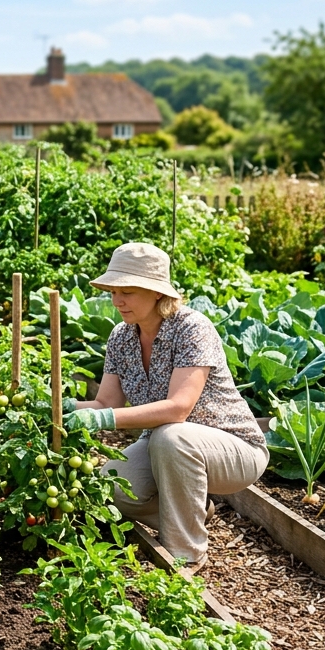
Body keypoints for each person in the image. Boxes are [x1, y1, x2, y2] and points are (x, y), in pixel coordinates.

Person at [62, 242, 268, 570]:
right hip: (165, 445)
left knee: (171, 436)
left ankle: (186, 555)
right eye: (113, 291)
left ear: (157, 292)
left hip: (234, 449)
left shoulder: (191, 328)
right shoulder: (121, 336)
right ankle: (192, 512)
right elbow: (106, 401)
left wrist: (102, 418)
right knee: (111, 486)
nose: (117, 300)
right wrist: (64, 407)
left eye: (127, 291)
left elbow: (178, 409)